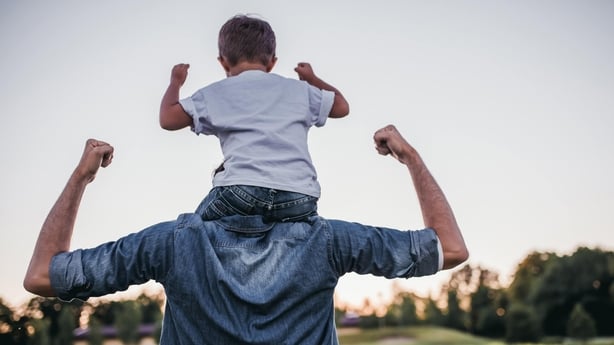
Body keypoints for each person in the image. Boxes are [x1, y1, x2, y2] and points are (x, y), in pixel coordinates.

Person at [24, 125, 468, 344]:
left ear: (220, 180)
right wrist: (411, 158)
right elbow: (450, 248)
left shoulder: (174, 243)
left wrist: (81, 177)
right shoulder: (328, 241)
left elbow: (43, 276)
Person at [159, 14, 350, 223]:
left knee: (193, 230)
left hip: (241, 192)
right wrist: (311, 79)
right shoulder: (299, 90)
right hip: (300, 196)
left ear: (223, 62)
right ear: (272, 62)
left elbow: (168, 119)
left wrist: (175, 82)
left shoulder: (216, 93)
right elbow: (341, 106)